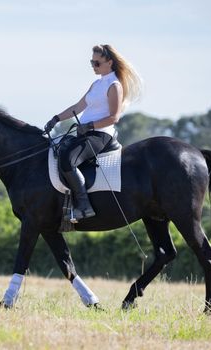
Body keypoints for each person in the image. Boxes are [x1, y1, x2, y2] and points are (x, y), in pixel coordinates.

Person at [44, 44, 142, 223]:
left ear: (109, 62)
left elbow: (114, 117)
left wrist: (90, 126)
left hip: (100, 135)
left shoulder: (114, 86)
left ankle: (84, 206)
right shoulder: (96, 84)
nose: (93, 66)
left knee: (68, 159)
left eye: (97, 63)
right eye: (92, 62)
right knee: (58, 151)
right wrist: (56, 118)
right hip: (85, 133)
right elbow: (77, 107)